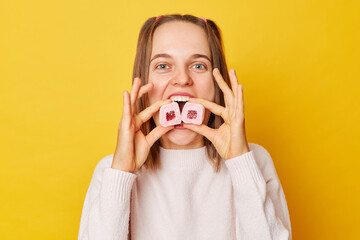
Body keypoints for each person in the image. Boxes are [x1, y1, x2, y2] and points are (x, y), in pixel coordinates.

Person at [78, 14, 292, 240]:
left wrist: (240, 161)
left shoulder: (254, 161)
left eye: (198, 65)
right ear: (143, 82)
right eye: (163, 65)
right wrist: (122, 172)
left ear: (217, 85)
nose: (182, 79)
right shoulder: (111, 171)